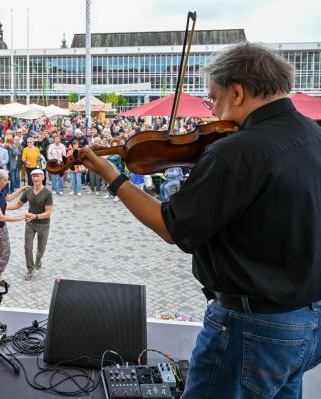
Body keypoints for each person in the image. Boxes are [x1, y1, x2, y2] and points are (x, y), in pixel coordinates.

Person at [81, 42, 321, 398]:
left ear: (237, 92)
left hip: (251, 327)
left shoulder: (237, 151)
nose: (213, 112)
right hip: (309, 321)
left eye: (214, 100)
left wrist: (113, 177)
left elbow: (171, 227)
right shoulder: (315, 134)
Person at [8, 169, 53, 281]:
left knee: (41, 248)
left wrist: (35, 216)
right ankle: (30, 268)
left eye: (38, 176)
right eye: (33, 176)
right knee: (27, 247)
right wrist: (3, 207)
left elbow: (48, 213)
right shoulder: (28, 192)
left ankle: (38, 259)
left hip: (43, 225)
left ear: (43, 177)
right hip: (30, 223)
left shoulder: (47, 193)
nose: (35, 178)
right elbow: (18, 204)